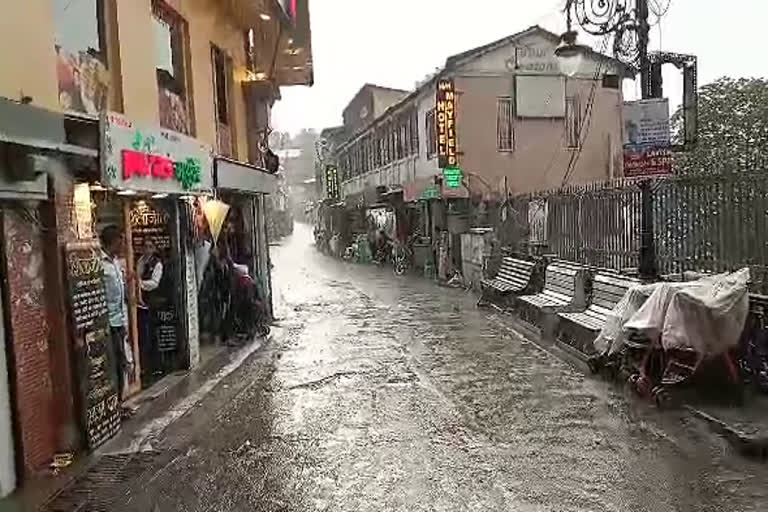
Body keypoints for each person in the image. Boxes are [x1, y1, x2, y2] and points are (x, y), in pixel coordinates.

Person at [100, 225, 134, 409]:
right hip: (109, 324)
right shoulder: (100, 263)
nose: (123, 246)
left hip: (119, 321)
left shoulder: (115, 262)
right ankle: (115, 405)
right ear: (113, 241)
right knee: (113, 365)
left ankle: (119, 403)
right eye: (121, 241)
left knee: (121, 364)